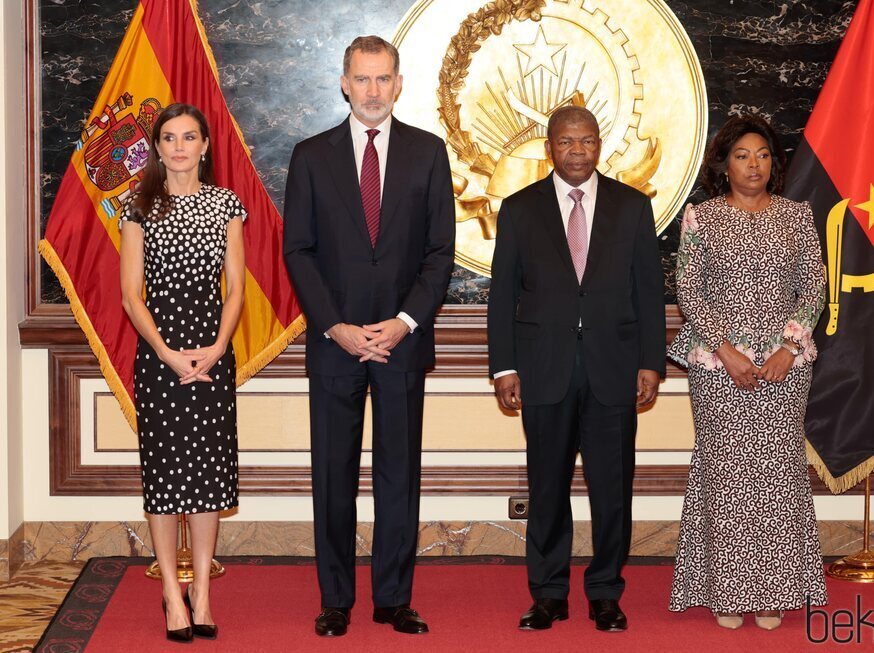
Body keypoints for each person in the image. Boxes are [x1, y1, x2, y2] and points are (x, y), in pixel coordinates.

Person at [283, 35, 455, 637]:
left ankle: (392, 598)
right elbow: (298, 251)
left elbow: (439, 254)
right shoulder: (310, 156)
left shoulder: (430, 154)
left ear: (399, 82)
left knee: (398, 475)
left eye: (384, 79)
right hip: (336, 343)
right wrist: (337, 326)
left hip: (401, 342)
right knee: (333, 474)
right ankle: (335, 599)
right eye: (363, 79)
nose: (373, 90)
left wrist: (402, 323)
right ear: (344, 83)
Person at [488, 105, 666, 632]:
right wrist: (503, 368)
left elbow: (649, 293)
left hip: (614, 369)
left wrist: (651, 363)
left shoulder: (633, 207)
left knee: (613, 491)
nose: (577, 151)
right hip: (543, 370)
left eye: (586, 141)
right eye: (566, 142)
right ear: (550, 146)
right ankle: (548, 594)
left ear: (599, 145)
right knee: (547, 487)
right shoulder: (520, 209)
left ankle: (606, 592)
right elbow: (503, 296)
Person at [667, 114, 828, 630]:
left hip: (786, 365)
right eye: (742, 155)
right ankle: (728, 590)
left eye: (762, 154)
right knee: (726, 470)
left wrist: (787, 347)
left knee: (776, 473)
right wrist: (727, 350)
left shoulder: (797, 216)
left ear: (774, 164)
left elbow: (814, 289)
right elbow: (690, 290)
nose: (753, 164)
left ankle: (773, 589)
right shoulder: (701, 217)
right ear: (724, 164)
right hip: (718, 365)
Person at [120, 103, 246, 643]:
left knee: (208, 477)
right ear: (158, 146)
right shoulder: (138, 205)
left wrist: (217, 347)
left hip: (213, 353)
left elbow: (236, 287)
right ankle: (172, 592)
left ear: (205, 145)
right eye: (168, 137)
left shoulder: (225, 204)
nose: (178, 147)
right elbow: (131, 296)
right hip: (159, 355)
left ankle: (203, 595)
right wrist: (169, 354)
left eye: (188, 137)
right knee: (167, 474)